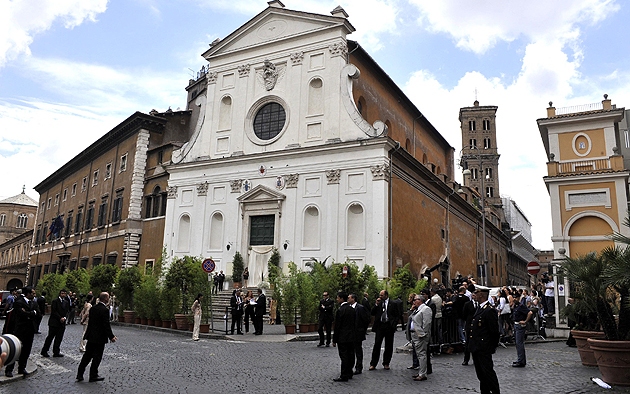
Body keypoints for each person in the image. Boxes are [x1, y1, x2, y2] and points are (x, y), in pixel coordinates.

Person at [76, 292, 118, 382]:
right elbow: (106, 325)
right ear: (106, 299)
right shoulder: (105, 310)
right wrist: (111, 337)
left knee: (87, 356)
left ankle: (80, 374)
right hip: (99, 338)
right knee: (97, 357)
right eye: (108, 298)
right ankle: (93, 375)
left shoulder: (93, 308)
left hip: (91, 336)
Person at [469, 286, 501, 394]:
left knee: (488, 373)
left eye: (476, 293)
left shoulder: (489, 310)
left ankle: (496, 392)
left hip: (484, 347)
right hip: (476, 347)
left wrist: (492, 346)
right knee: (481, 374)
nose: (475, 295)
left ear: (481, 295)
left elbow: (494, 331)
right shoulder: (479, 308)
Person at [4, 286, 38, 377]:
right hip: (20, 330)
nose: (34, 295)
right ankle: (9, 370)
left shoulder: (34, 303)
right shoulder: (19, 303)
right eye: (33, 293)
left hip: (30, 330)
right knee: (16, 350)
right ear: (28, 294)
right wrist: (31, 313)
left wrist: (29, 313)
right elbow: (20, 314)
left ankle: (22, 368)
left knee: (26, 350)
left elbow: (38, 314)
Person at [369, 290, 400, 370]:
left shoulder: (393, 304)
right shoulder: (379, 304)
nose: (380, 297)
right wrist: (376, 304)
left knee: (389, 345)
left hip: (389, 326)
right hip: (380, 326)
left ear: (386, 295)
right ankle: (373, 363)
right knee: (377, 344)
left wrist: (393, 324)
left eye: (382, 295)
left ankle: (386, 363)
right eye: (380, 295)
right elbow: (372, 313)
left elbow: (397, 315)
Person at [332, 291, 355, 382]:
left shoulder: (340, 310)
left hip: (342, 337)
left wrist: (334, 339)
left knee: (344, 356)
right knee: (350, 354)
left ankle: (344, 374)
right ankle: (349, 372)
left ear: (342, 298)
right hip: (351, 336)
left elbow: (337, 326)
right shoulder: (352, 309)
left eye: (338, 298)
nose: (337, 299)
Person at [410, 294, 432, 382]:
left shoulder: (426, 309)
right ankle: (421, 372)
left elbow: (426, 323)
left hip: (420, 336)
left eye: (416, 299)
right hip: (415, 335)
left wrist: (422, 334)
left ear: (420, 300)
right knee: (419, 354)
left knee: (422, 354)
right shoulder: (417, 310)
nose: (414, 301)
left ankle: (423, 373)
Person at [41, 289, 70, 357]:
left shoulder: (66, 302)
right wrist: (60, 318)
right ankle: (44, 351)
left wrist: (65, 318)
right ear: (60, 294)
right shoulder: (55, 301)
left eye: (64, 293)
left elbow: (67, 311)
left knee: (59, 338)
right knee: (50, 337)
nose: (63, 295)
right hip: (54, 323)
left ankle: (56, 351)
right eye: (62, 293)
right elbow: (54, 311)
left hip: (62, 323)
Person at [348, 293, 370, 374]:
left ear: (353, 299)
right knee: (350, 351)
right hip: (350, 333)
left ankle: (359, 367)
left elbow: (366, 320)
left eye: (349, 298)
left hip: (358, 333)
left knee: (358, 351)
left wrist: (362, 330)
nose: (348, 299)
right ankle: (350, 367)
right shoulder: (348, 308)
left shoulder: (360, 308)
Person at [512, 292, 533, 367]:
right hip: (516, 325)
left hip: (520, 326)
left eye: (516, 298)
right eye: (513, 297)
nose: (514, 299)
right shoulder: (515, 306)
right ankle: (520, 359)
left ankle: (521, 361)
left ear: (518, 298)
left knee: (519, 343)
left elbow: (530, 313)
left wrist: (525, 321)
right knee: (518, 343)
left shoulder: (521, 306)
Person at [461, 286, 477, 366]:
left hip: (477, 326)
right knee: (468, 343)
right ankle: (466, 359)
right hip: (469, 325)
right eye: (473, 295)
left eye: (475, 295)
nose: (474, 297)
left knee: (476, 343)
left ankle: (476, 359)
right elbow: (464, 315)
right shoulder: (467, 304)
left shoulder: (480, 305)